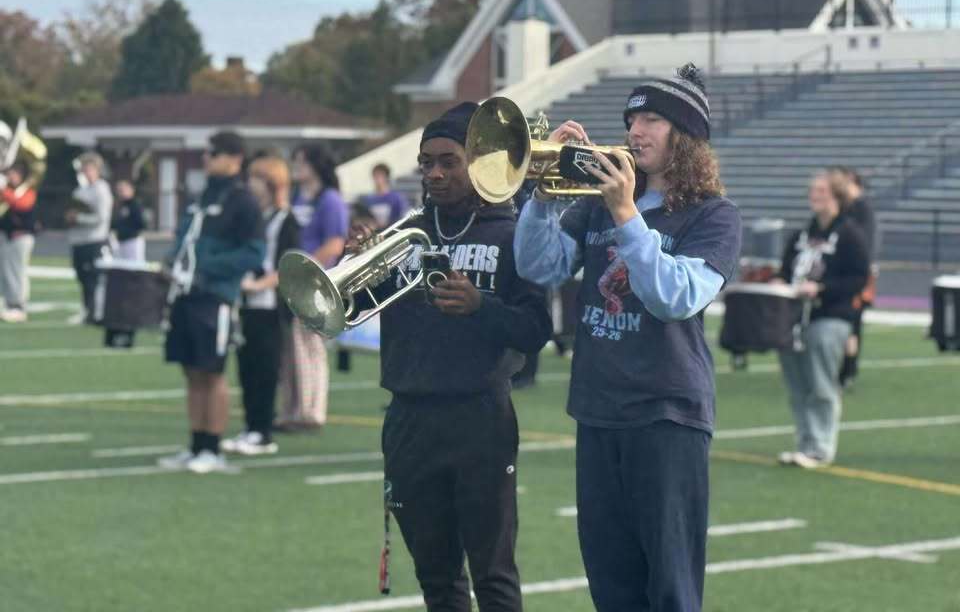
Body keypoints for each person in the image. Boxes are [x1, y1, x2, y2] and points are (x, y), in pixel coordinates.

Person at [514, 64, 742, 612]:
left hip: (666, 413)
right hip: (597, 408)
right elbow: (538, 266)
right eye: (631, 118)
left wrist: (625, 214)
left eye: (652, 119)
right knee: (610, 581)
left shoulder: (715, 217)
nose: (635, 130)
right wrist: (544, 199)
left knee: (668, 585)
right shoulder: (596, 204)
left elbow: (676, 297)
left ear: (685, 138)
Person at [347, 102, 551, 611]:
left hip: (479, 418)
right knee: (436, 578)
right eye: (426, 163)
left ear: (477, 162)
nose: (434, 173)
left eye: (448, 161)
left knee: (494, 575)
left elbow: (536, 330)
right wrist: (361, 268)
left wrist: (480, 307)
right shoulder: (403, 233)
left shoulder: (511, 232)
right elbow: (350, 309)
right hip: (409, 419)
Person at [158, 130, 265, 474]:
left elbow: (254, 253)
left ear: (234, 158)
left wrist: (205, 268)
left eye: (213, 153)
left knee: (212, 371)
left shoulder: (243, 200)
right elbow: (185, 237)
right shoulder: (203, 194)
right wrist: (172, 262)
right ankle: (196, 443)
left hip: (216, 296)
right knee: (190, 369)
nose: (206, 159)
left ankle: (213, 447)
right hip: (186, 294)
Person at [773, 171, 869, 469]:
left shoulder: (851, 234)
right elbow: (786, 269)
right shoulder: (803, 233)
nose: (815, 196)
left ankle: (820, 447)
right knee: (797, 383)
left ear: (837, 196)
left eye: (822, 191)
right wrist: (779, 281)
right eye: (813, 191)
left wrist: (822, 289)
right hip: (794, 318)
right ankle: (805, 443)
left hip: (830, 316)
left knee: (820, 383)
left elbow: (859, 278)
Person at [224, 155, 299, 455]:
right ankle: (251, 427)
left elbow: (288, 264)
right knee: (246, 367)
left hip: (269, 306)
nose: (250, 185)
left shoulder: (286, 219)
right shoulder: (257, 216)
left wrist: (258, 284)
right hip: (247, 304)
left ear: (271, 184)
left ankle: (263, 432)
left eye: (256, 179)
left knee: (266, 369)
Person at [278, 144, 349, 429]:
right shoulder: (296, 197)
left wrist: (307, 269)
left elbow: (334, 242)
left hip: (316, 281)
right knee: (290, 348)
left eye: (302, 162)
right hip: (292, 280)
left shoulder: (329, 200)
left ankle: (311, 411)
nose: (296, 167)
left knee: (310, 347)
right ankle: (292, 409)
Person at [829, 166, 876, 389]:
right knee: (848, 323)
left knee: (852, 323)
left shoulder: (861, 208)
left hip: (855, 275)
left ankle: (848, 370)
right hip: (846, 272)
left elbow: (861, 243)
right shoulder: (848, 208)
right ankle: (844, 369)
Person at [66, 152, 113, 324]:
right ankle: (87, 310)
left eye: (89, 168)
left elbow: (101, 218)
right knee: (82, 278)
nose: (86, 172)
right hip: (78, 240)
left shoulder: (101, 189)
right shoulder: (80, 190)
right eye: (84, 168)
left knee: (93, 278)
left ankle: (95, 313)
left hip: (94, 240)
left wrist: (78, 218)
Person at [0, 161, 37, 323]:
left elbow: (21, 204)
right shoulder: (8, 191)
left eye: (13, 174)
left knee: (17, 271)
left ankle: (18, 305)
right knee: (5, 272)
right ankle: (8, 303)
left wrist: (4, 190)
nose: (10, 177)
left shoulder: (27, 191)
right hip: (6, 237)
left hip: (21, 237)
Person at [361, 162, 410, 229]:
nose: (376, 179)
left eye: (379, 176)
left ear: (386, 177)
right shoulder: (368, 199)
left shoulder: (397, 198)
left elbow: (401, 218)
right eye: (374, 176)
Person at [111, 179, 146, 262]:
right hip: (120, 241)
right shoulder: (120, 206)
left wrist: (125, 229)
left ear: (131, 190)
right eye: (119, 191)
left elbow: (141, 224)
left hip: (133, 241)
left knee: (135, 268)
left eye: (123, 190)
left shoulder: (135, 205)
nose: (121, 193)